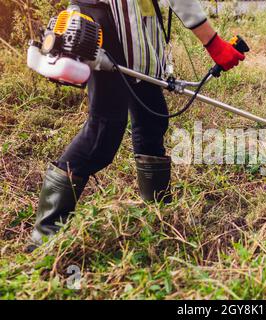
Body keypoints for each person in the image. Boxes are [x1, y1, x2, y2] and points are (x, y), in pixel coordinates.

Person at [27, 0, 245, 251]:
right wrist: (213, 43)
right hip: (106, 24)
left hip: (134, 26)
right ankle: (45, 238)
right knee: (103, 131)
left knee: (152, 117)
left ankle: (157, 212)